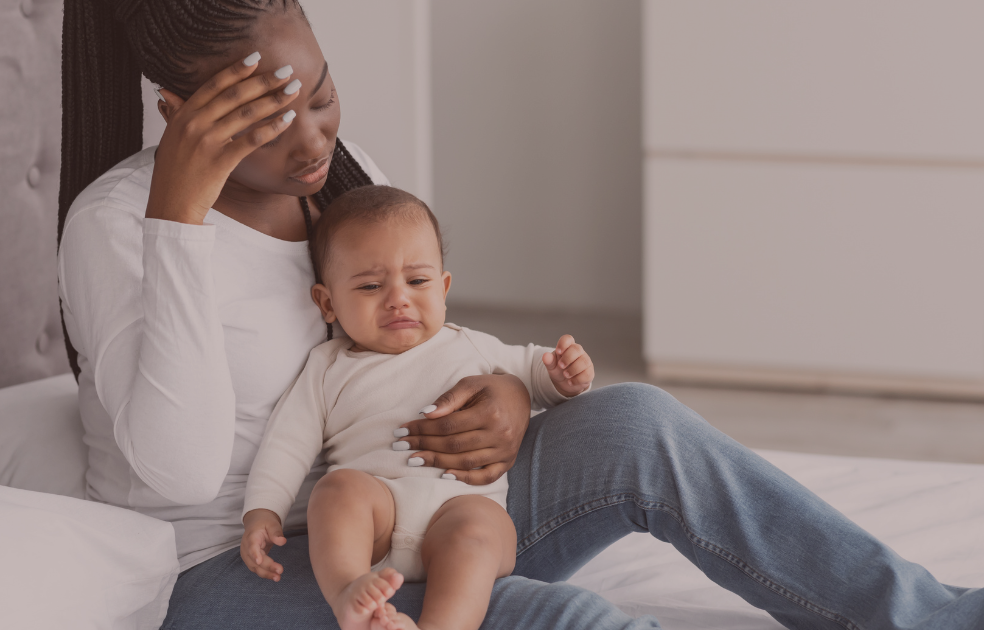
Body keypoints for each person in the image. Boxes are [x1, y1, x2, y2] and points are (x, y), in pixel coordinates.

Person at [56, 1, 983, 628]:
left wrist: (504, 394)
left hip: (416, 502)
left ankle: (934, 617)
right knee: (565, 621)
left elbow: (419, 343)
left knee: (640, 423)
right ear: (179, 113)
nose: (313, 139)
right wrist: (177, 216)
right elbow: (175, 473)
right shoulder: (115, 229)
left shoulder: (347, 176)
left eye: (323, 94)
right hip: (241, 567)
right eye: (265, 119)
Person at [240, 186, 595, 630]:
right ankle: (350, 592)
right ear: (327, 303)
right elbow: (288, 443)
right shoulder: (327, 367)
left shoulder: (471, 345)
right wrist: (263, 510)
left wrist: (563, 375)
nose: (398, 298)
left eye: (418, 281)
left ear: (443, 288)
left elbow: (536, 374)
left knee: (480, 531)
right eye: (370, 285)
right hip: (378, 517)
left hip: (459, 508)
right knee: (336, 492)